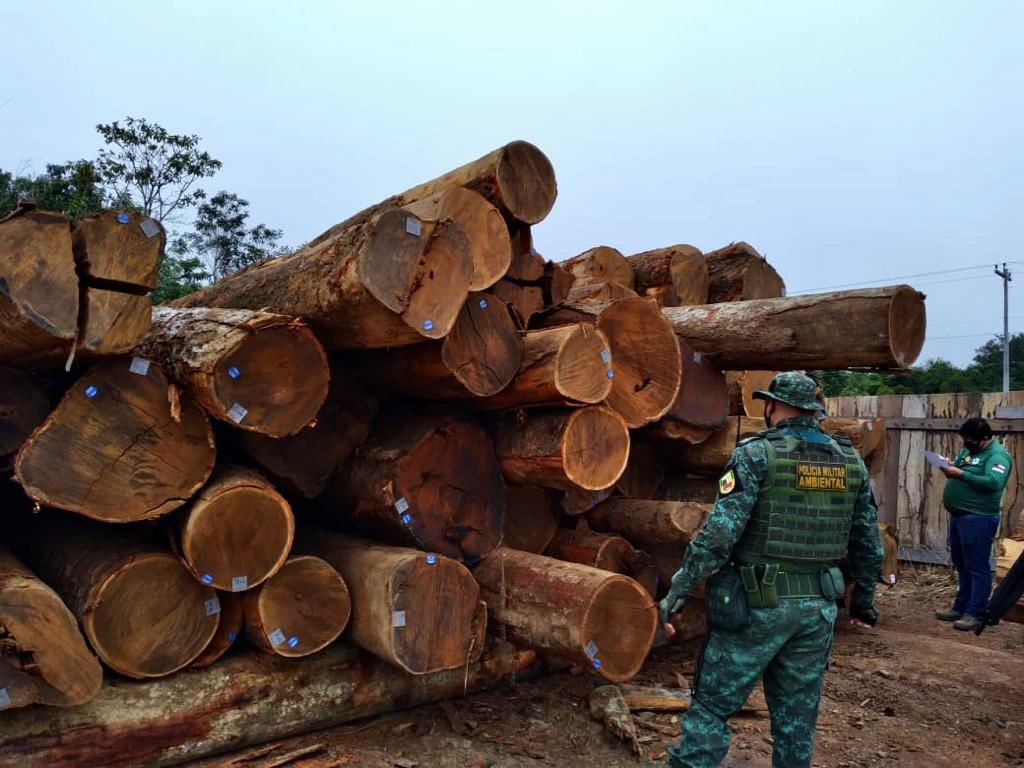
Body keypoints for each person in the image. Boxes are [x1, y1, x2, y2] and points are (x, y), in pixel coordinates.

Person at [659, 371, 883, 768]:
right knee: (796, 718)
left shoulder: (756, 453)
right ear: (815, 412)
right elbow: (867, 540)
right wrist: (863, 601)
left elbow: (719, 533)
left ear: (773, 405)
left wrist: (679, 589)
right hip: (816, 610)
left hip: (756, 604)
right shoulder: (850, 461)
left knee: (711, 708)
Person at [934, 417, 1013, 632]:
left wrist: (961, 474)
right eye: (964, 439)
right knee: (961, 564)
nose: (965, 442)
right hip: (959, 516)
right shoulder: (968, 452)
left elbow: (994, 482)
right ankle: (960, 607)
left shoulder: (998, 456)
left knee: (977, 567)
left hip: (979, 517)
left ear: (985, 438)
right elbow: (958, 470)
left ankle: (975, 612)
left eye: (970, 439)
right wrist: (948, 467)